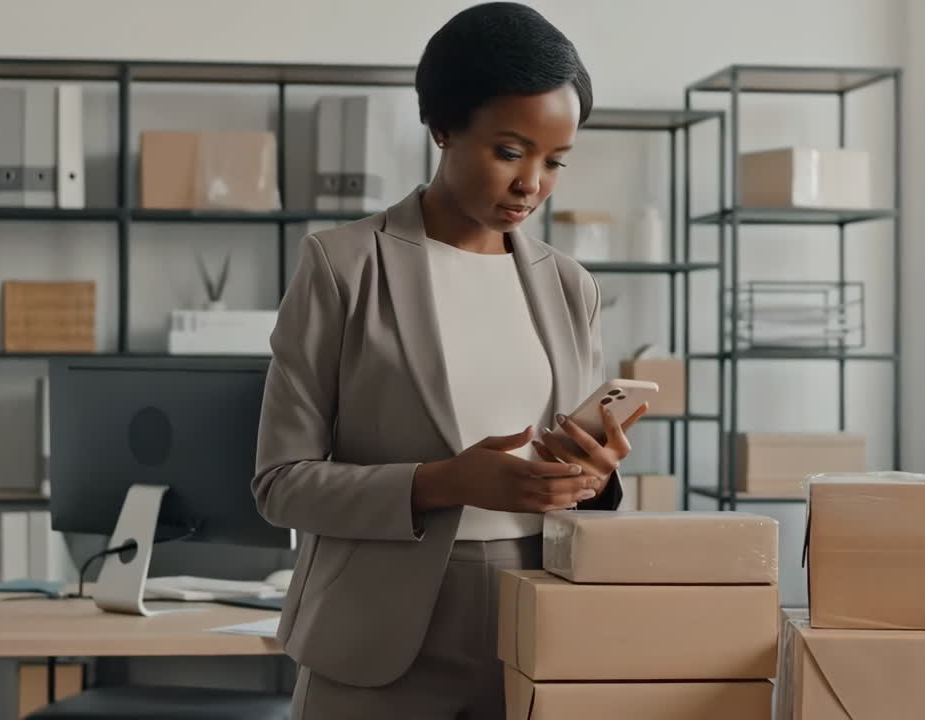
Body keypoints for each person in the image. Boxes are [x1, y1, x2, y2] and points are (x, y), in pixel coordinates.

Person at [253, 3, 647, 717]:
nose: (533, 182)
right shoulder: (342, 267)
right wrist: (443, 483)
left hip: (538, 619)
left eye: (555, 160)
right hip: (375, 635)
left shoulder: (570, 285)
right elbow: (280, 484)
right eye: (509, 151)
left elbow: (577, 477)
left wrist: (594, 476)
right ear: (441, 127)